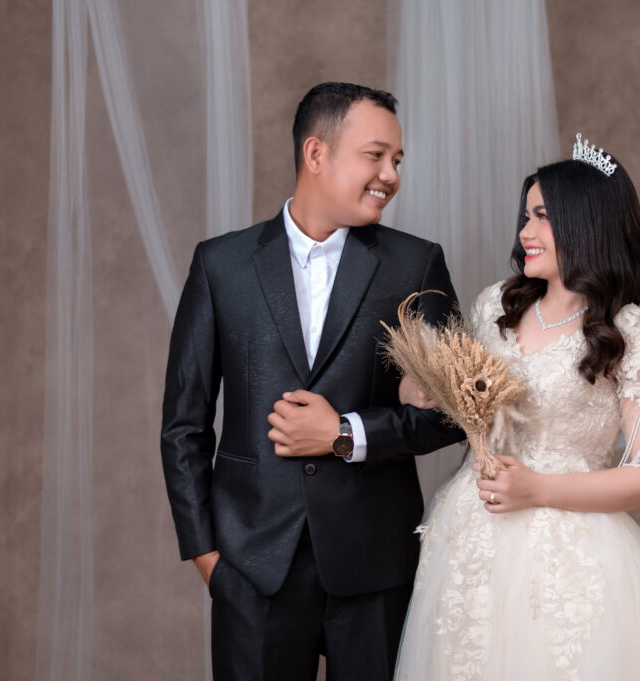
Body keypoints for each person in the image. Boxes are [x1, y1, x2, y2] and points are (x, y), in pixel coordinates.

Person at [160, 82, 464, 681]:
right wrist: (208, 557)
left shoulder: (415, 264)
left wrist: (345, 434)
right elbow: (183, 426)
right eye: (375, 156)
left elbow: (455, 413)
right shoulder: (221, 265)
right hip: (252, 569)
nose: (391, 175)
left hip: (375, 568)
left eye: (397, 160)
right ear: (316, 153)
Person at [393, 137, 640, 680]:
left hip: (571, 558)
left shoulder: (625, 331)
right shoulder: (496, 305)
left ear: (588, 224)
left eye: (542, 217)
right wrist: (420, 388)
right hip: (471, 539)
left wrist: (538, 489)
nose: (525, 234)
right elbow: (464, 403)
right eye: (525, 217)